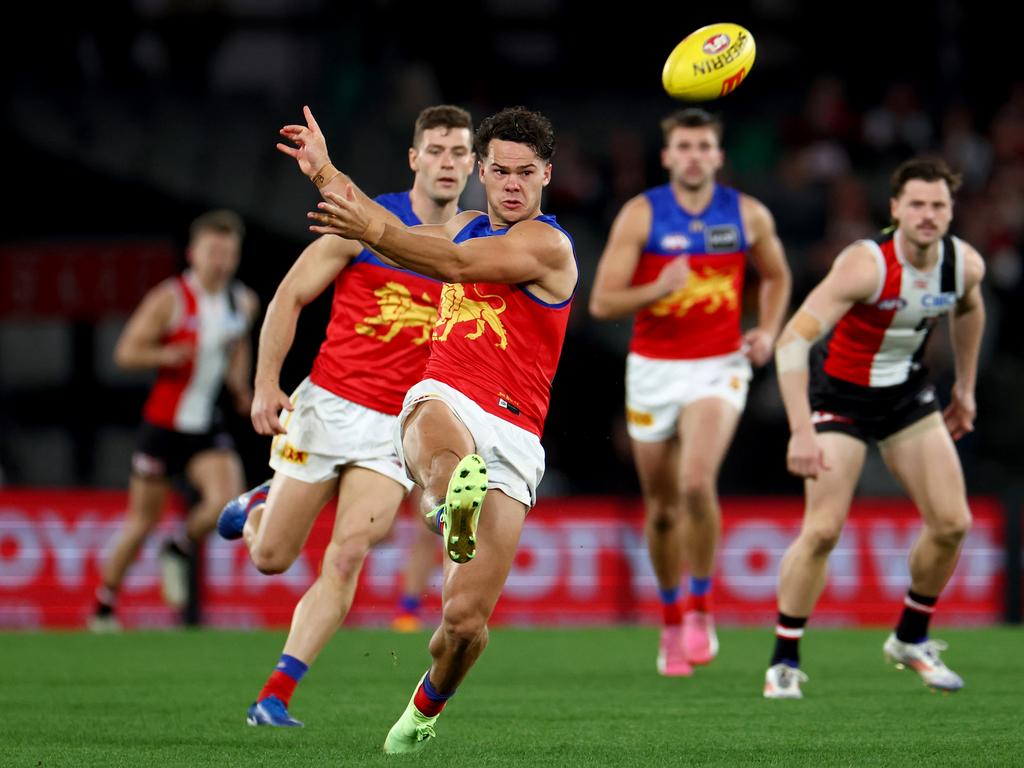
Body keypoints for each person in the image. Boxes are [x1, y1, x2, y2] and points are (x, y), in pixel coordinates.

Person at [279, 103, 577, 753]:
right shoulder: (466, 224)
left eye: (526, 173)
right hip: (449, 395)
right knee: (431, 417)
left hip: (517, 433)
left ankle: (423, 710)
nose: (511, 185)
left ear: (546, 176)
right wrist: (325, 173)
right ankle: (446, 503)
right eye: (499, 171)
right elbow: (389, 226)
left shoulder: (547, 244)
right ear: (484, 173)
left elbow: (452, 265)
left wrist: (368, 228)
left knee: (463, 627)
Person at [217, 106, 475, 727]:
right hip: (327, 406)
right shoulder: (365, 221)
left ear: (473, 164)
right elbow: (289, 296)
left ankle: (274, 696)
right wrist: (264, 383)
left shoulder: (477, 241)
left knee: (347, 554)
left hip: (394, 426)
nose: (447, 162)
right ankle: (264, 503)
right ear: (414, 158)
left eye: (459, 152)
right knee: (271, 558)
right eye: (435, 150)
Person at [763, 157, 985, 698]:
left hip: (907, 396)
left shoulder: (963, 265)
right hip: (840, 398)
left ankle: (910, 638)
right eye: (917, 204)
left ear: (951, 210)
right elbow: (793, 340)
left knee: (953, 523)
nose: (928, 215)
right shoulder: (865, 266)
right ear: (895, 210)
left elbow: (969, 310)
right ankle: (784, 660)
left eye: (938, 205)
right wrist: (800, 429)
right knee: (822, 530)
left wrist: (965, 388)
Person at [589, 108, 791, 676]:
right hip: (653, 369)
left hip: (718, 366)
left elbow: (776, 275)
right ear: (668, 156)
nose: (696, 155)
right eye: (685, 145)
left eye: (705, 146)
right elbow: (603, 302)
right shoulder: (641, 214)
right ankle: (673, 615)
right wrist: (658, 286)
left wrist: (769, 331)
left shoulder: (745, 214)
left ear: (719, 156)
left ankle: (701, 607)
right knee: (661, 512)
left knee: (697, 483)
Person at [91, 210, 257, 631]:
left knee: (228, 500)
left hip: (205, 424)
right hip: (163, 426)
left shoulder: (243, 301)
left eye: (228, 252)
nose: (221, 260)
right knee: (141, 521)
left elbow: (238, 347)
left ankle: (179, 547)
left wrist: (241, 387)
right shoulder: (170, 298)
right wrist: (164, 355)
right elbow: (125, 352)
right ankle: (104, 605)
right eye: (213, 251)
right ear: (192, 253)